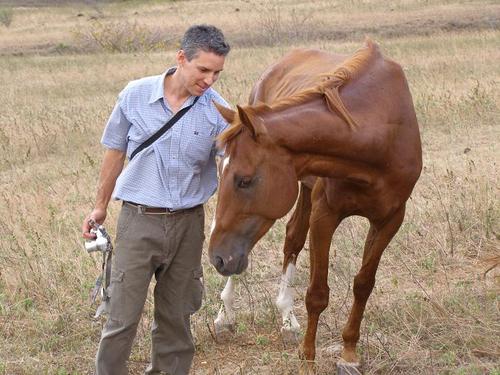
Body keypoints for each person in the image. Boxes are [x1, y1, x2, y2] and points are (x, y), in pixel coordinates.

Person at [81, 24, 230, 375]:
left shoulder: (219, 111)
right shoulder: (135, 95)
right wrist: (100, 206)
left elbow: (231, 165)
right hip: (139, 220)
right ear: (181, 58)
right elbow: (115, 151)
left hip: (188, 224)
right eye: (203, 70)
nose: (210, 80)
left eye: (217, 73)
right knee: (121, 317)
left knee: (176, 317)